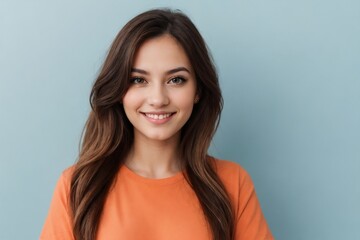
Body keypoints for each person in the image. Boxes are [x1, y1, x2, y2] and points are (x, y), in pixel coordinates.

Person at [40, 8, 273, 240]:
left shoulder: (232, 183)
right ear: (119, 90)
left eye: (176, 80)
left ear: (198, 90)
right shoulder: (78, 187)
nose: (158, 99)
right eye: (138, 80)